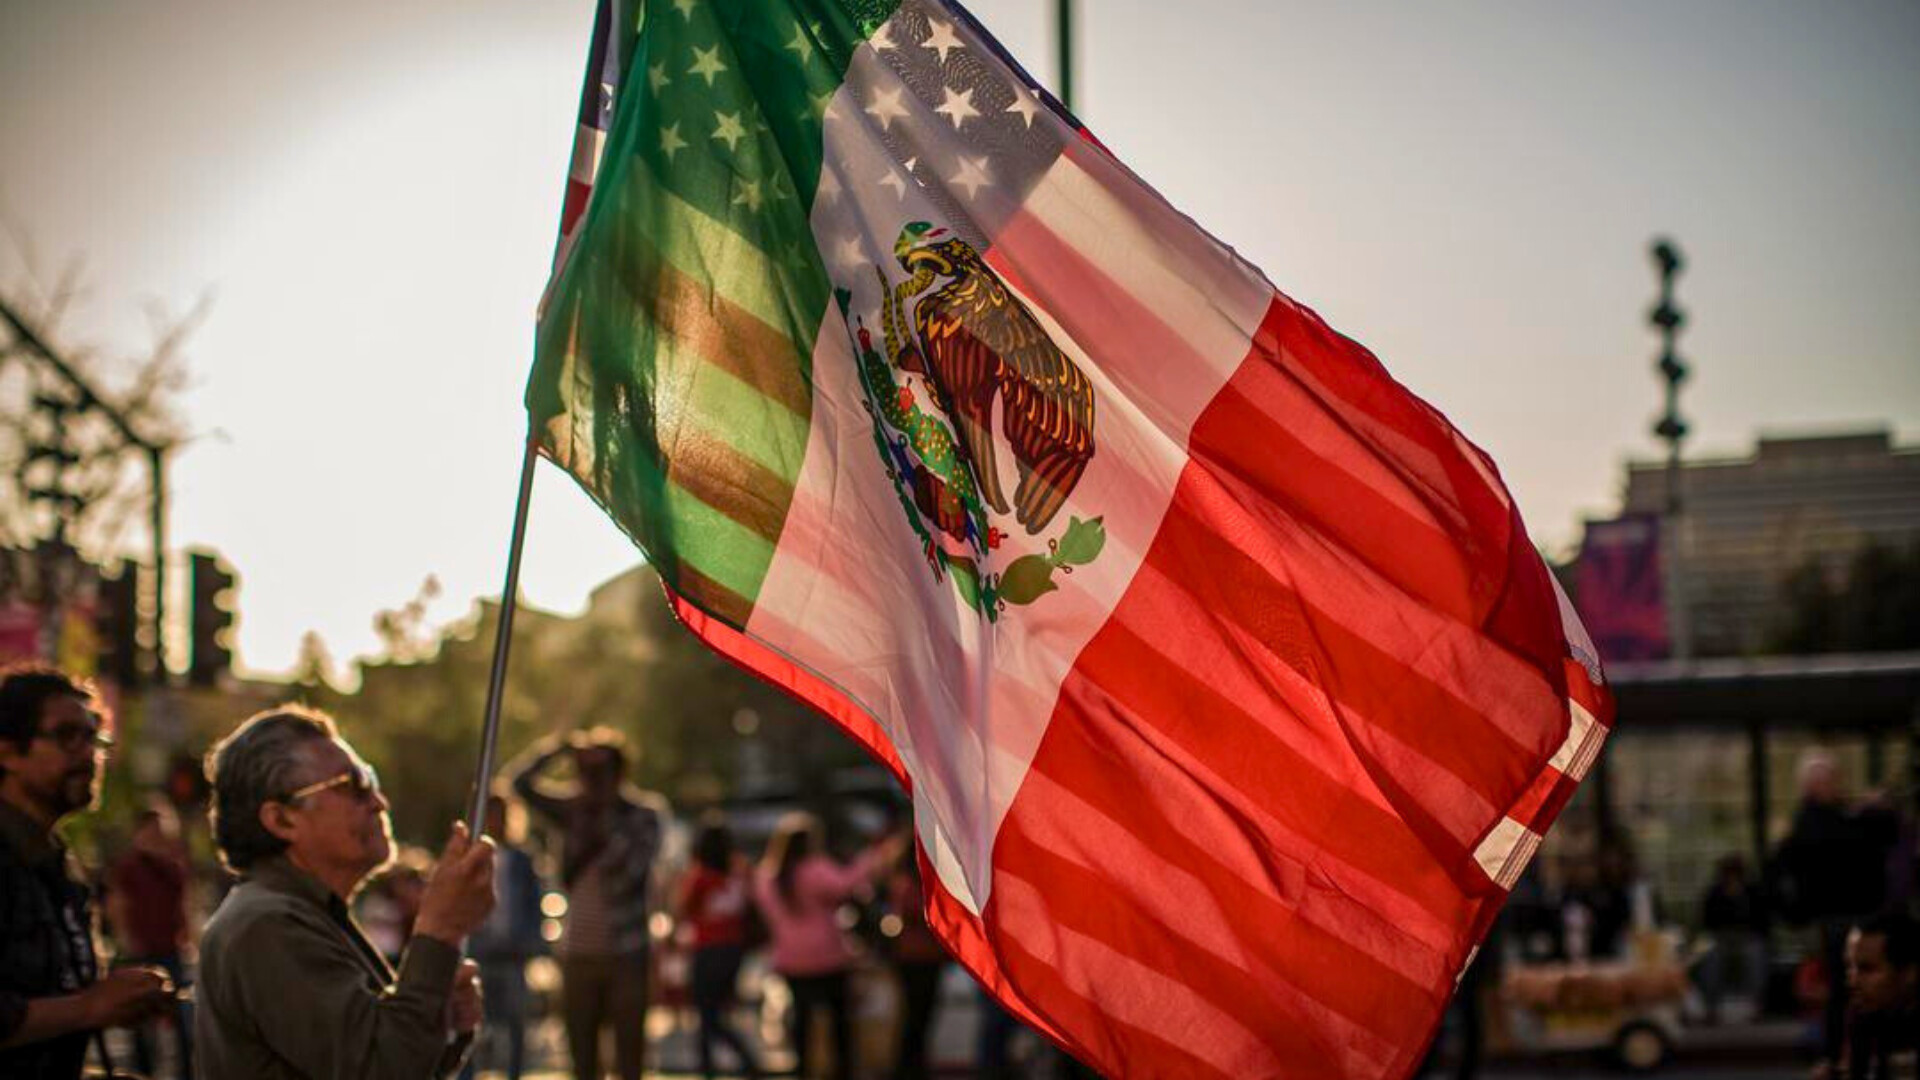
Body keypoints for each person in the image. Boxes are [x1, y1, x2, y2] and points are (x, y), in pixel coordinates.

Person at [194, 706, 495, 1080]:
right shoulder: (267, 925)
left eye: (371, 779)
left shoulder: (310, 912)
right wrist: (440, 929)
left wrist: (442, 1017)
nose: (379, 802)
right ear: (282, 819)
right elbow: (380, 1069)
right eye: (353, 786)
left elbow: (390, 1054)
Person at [0, 665, 174, 1079]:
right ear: (7, 752)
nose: (87, 753)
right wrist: (92, 1006)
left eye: (93, 737)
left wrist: (118, 1000)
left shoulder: (56, 862)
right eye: (65, 736)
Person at [511, 727, 670, 1080]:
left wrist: (599, 820)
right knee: (582, 1057)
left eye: (599, 771)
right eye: (585, 770)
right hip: (577, 951)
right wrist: (559, 750)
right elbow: (519, 785)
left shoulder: (642, 815)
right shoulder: (572, 811)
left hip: (627, 949)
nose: (590, 779)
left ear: (619, 772)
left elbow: (628, 875)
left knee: (629, 1056)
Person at [1774, 751, 1900, 1072]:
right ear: (1811, 785)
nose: (1834, 785)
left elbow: (1886, 832)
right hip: (1840, 919)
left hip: (1858, 914)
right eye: (1826, 779)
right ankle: (1841, 1057)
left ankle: (1855, 1056)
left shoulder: (1840, 816)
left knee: (1861, 991)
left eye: (1832, 778)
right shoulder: (1814, 821)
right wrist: (1867, 811)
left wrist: (1869, 810)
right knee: (1850, 991)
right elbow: (1848, 842)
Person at [754, 811, 898, 1080]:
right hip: (827, 957)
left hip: (789, 959)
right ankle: (841, 1071)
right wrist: (871, 857)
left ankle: (804, 1071)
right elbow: (846, 885)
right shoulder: (815, 869)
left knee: (802, 1022)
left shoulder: (767, 877)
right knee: (838, 1021)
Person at [107, 804, 195, 1078]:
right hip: (141, 951)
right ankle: (143, 1072)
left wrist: (187, 936)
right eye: (152, 827)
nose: (157, 833)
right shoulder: (128, 867)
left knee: (181, 1017)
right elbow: (118, 905)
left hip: (170, 948)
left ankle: (185, 1072)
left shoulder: (172, 867)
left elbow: (183, 904)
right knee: (141, 1021)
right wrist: (127, 941)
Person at [462, 793, 545, 1080]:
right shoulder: (468, 855)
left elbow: (534, 905)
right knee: (471, 1021)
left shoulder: (521, 859)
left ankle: (513, 1074)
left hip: (512, 951)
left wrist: (531, 942)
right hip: (478, 949)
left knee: (514, 1023)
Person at [674, 814, 760, 1080]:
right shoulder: (740, 870)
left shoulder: (700, 875)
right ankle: (740, 1063)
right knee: (715, 1012)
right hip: (734, 949)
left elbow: (683, 909)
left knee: (706, 1015)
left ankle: (729, 1065)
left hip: (708, 949)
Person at [881, 820, 947, 1080]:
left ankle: (912, 1063)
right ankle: (911, 1066)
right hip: (922, 956)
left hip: (910, 954)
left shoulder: (900, 879)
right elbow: (920, 913)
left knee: (915, 1014)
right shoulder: (914, 882)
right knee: (919, 1014)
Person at [1833, 910, 1919, 1080]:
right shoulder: (1864, 1013)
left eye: (1867, 969)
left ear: (1910, 973)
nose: (1853, 981)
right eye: (1851, 967)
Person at [1697, 853, 1766, 1025]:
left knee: (1755, 952)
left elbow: (1761, 920)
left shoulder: (1752, 891)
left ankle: (1757, 1005)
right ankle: (1711, 1007)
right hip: (1721, 938)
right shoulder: (1714, 893)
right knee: (1711, 955)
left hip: (1748, 937)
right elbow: (1707, 922)